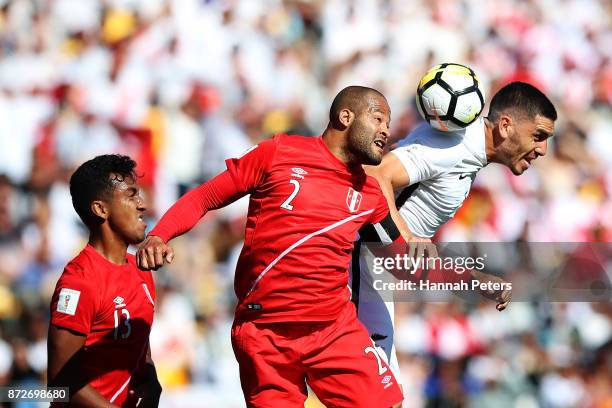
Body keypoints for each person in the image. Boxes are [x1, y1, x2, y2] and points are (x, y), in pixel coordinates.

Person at [137, 86, 404, 407]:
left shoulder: (369, 194)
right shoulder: (277, 153)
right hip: (265, 335)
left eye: (387, 123)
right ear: (345, 117)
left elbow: (404, 257)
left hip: (332, 329)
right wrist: (160, 234)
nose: (385, 130)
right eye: (378, 119)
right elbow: (206, 196)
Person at [355, 81, 557, 389]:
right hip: (353, 270)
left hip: (373, 273)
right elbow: (375, 175)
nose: (542, 149)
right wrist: (405, 235)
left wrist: (476, 280)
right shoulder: (455, 146)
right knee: (374, 395)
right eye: (538, 136)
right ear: (505, 126)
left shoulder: (466, 148)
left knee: (383, 397)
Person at [48, 155, 161, 408]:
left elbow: (139, 349)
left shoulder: (141, 270)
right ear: (101, 209)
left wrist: (152, 383)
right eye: (131, 196)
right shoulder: (79, 282)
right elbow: (59, 386)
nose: (142, 205)